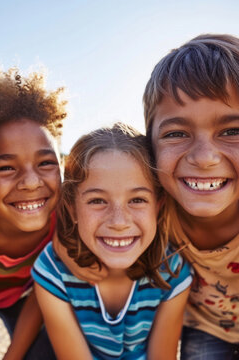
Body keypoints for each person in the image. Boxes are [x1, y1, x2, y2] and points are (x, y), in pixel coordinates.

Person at [32, 123, 193, 360]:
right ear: (72, 209)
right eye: (97, 201)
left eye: (137, 200)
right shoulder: (52, 270)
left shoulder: (173, 270)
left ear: (157, 207)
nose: (119, 222)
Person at [0, 67, 67, 359]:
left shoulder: (63, 223)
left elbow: (42, 293)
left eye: (46, 163)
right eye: (6, 167)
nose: (31, 182)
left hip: (23, 296)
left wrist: (13, 355)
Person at [143, 33, 239, 359]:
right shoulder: (149, 213)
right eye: (176, 133)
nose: (204, 157)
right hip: (205, 328)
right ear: (150, 147)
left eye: (231, 131)